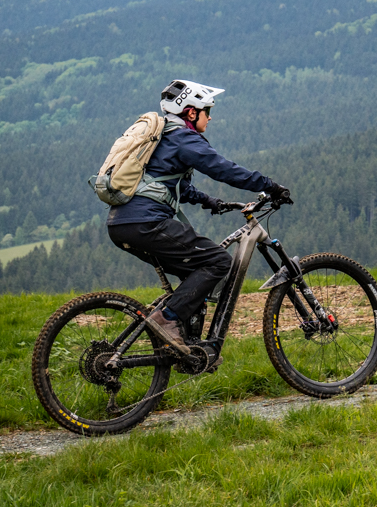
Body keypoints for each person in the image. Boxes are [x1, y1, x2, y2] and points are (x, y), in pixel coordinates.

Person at [107, 80, 288, 356]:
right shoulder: (183, 138)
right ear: (191, 112)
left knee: (195, 272)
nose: (210, 117)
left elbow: (172, 183)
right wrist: (269, 185)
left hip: (121, 223)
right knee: (218, 261)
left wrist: (210, 201)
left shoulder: (164, 137)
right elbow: (222, 168)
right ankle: (167, 319)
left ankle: (184, 346)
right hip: (146, 223)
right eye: (207, 111)